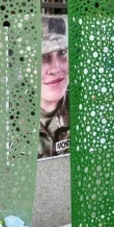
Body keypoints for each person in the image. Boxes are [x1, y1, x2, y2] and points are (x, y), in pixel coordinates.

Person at [39, 17, 70, 158]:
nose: (55, 69)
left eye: (62, 53)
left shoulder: (85, 109)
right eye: (42, 57)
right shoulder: (8, 115)